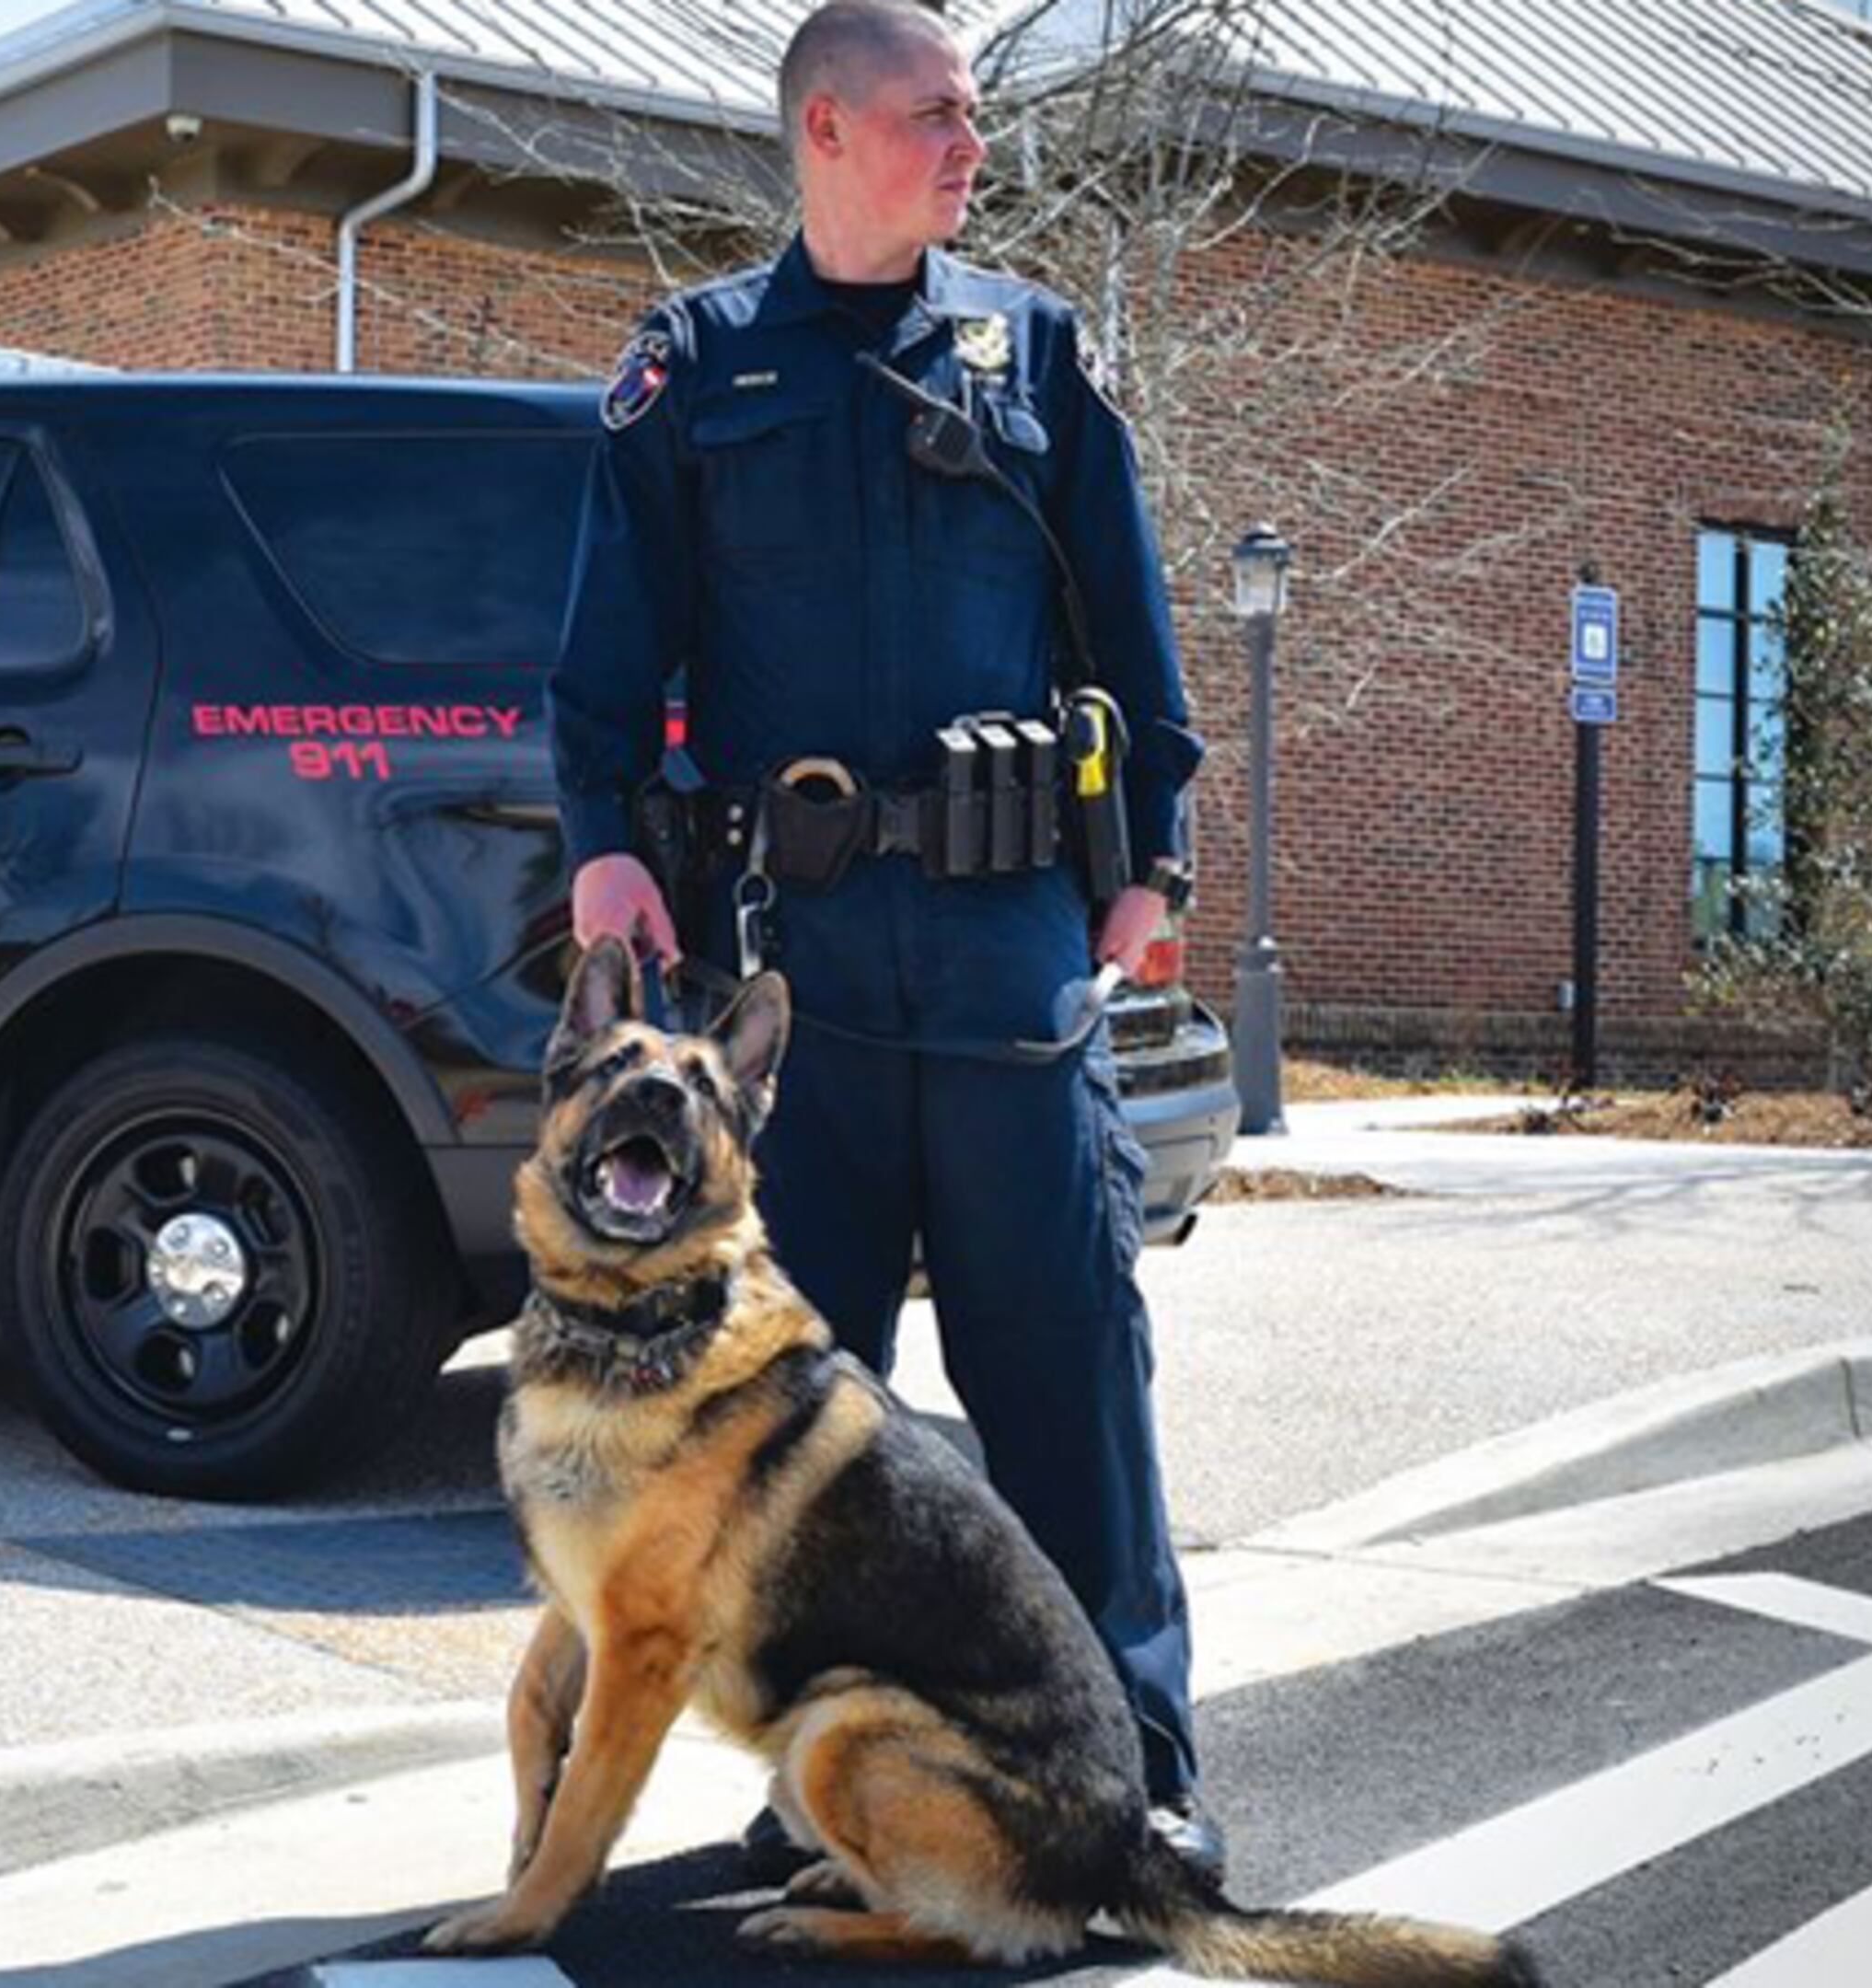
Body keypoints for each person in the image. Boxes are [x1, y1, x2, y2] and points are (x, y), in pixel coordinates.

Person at [551, 0, 1220, 1877]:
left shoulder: (1036, 350)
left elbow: (1130, 635)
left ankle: (1132, 1767)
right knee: (800, 1416)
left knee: (1068, 1364)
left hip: (1010, 952)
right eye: (938, 114)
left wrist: (1147, 856)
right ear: (826, 130)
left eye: (975, 116)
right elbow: (607, 662)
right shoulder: (692, 370)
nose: (972, 145)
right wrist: (607, 851)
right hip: (800, 983)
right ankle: (828, 1787)